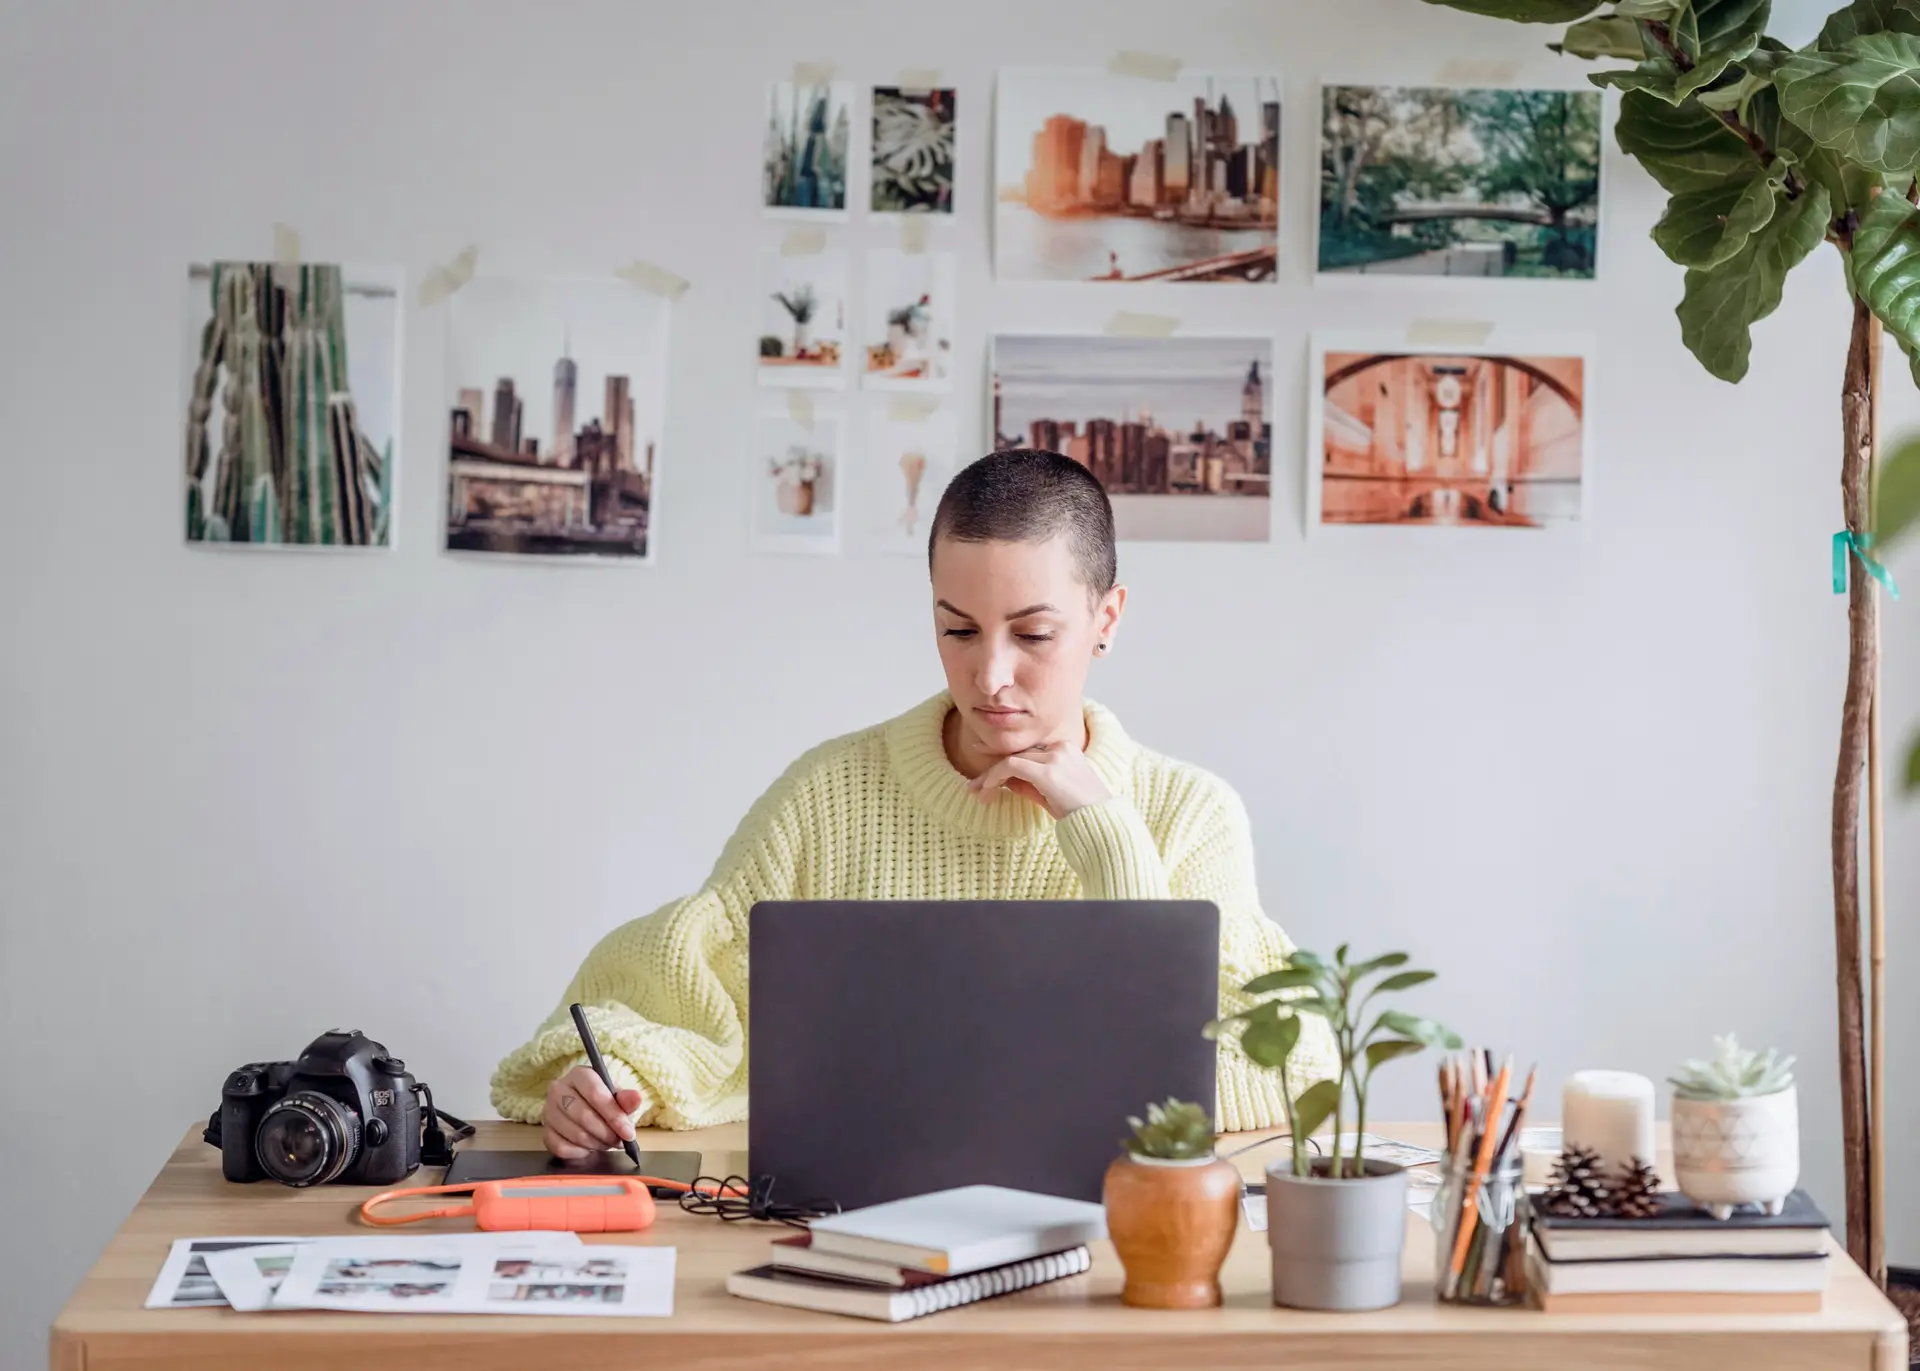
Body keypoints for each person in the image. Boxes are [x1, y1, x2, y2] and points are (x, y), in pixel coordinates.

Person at [493, 449, 1336, 1159]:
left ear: (1106, 618)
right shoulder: (829, 795)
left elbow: (1279, 1072)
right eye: (958, 629)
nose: (991, 675)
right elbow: (688, 1000)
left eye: (1034, 634)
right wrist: (597, 1086)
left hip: (1108, 1236)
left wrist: (1102, 825)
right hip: (851, 1230)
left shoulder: (1190, 812)